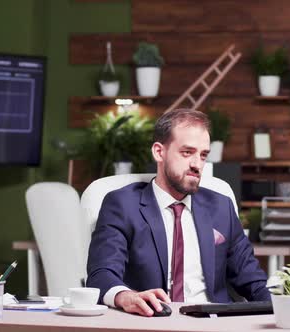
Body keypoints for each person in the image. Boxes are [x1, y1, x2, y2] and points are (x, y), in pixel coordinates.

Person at [86, 108, 270, 317]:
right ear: (159, 152)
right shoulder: (122, 204)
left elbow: (252, 280)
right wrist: (126, 296)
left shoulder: (221, 207)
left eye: (203, 155)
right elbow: (101, 274)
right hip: (153, 320)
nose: (197, 164)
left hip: (215, 323)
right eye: (187, 152)